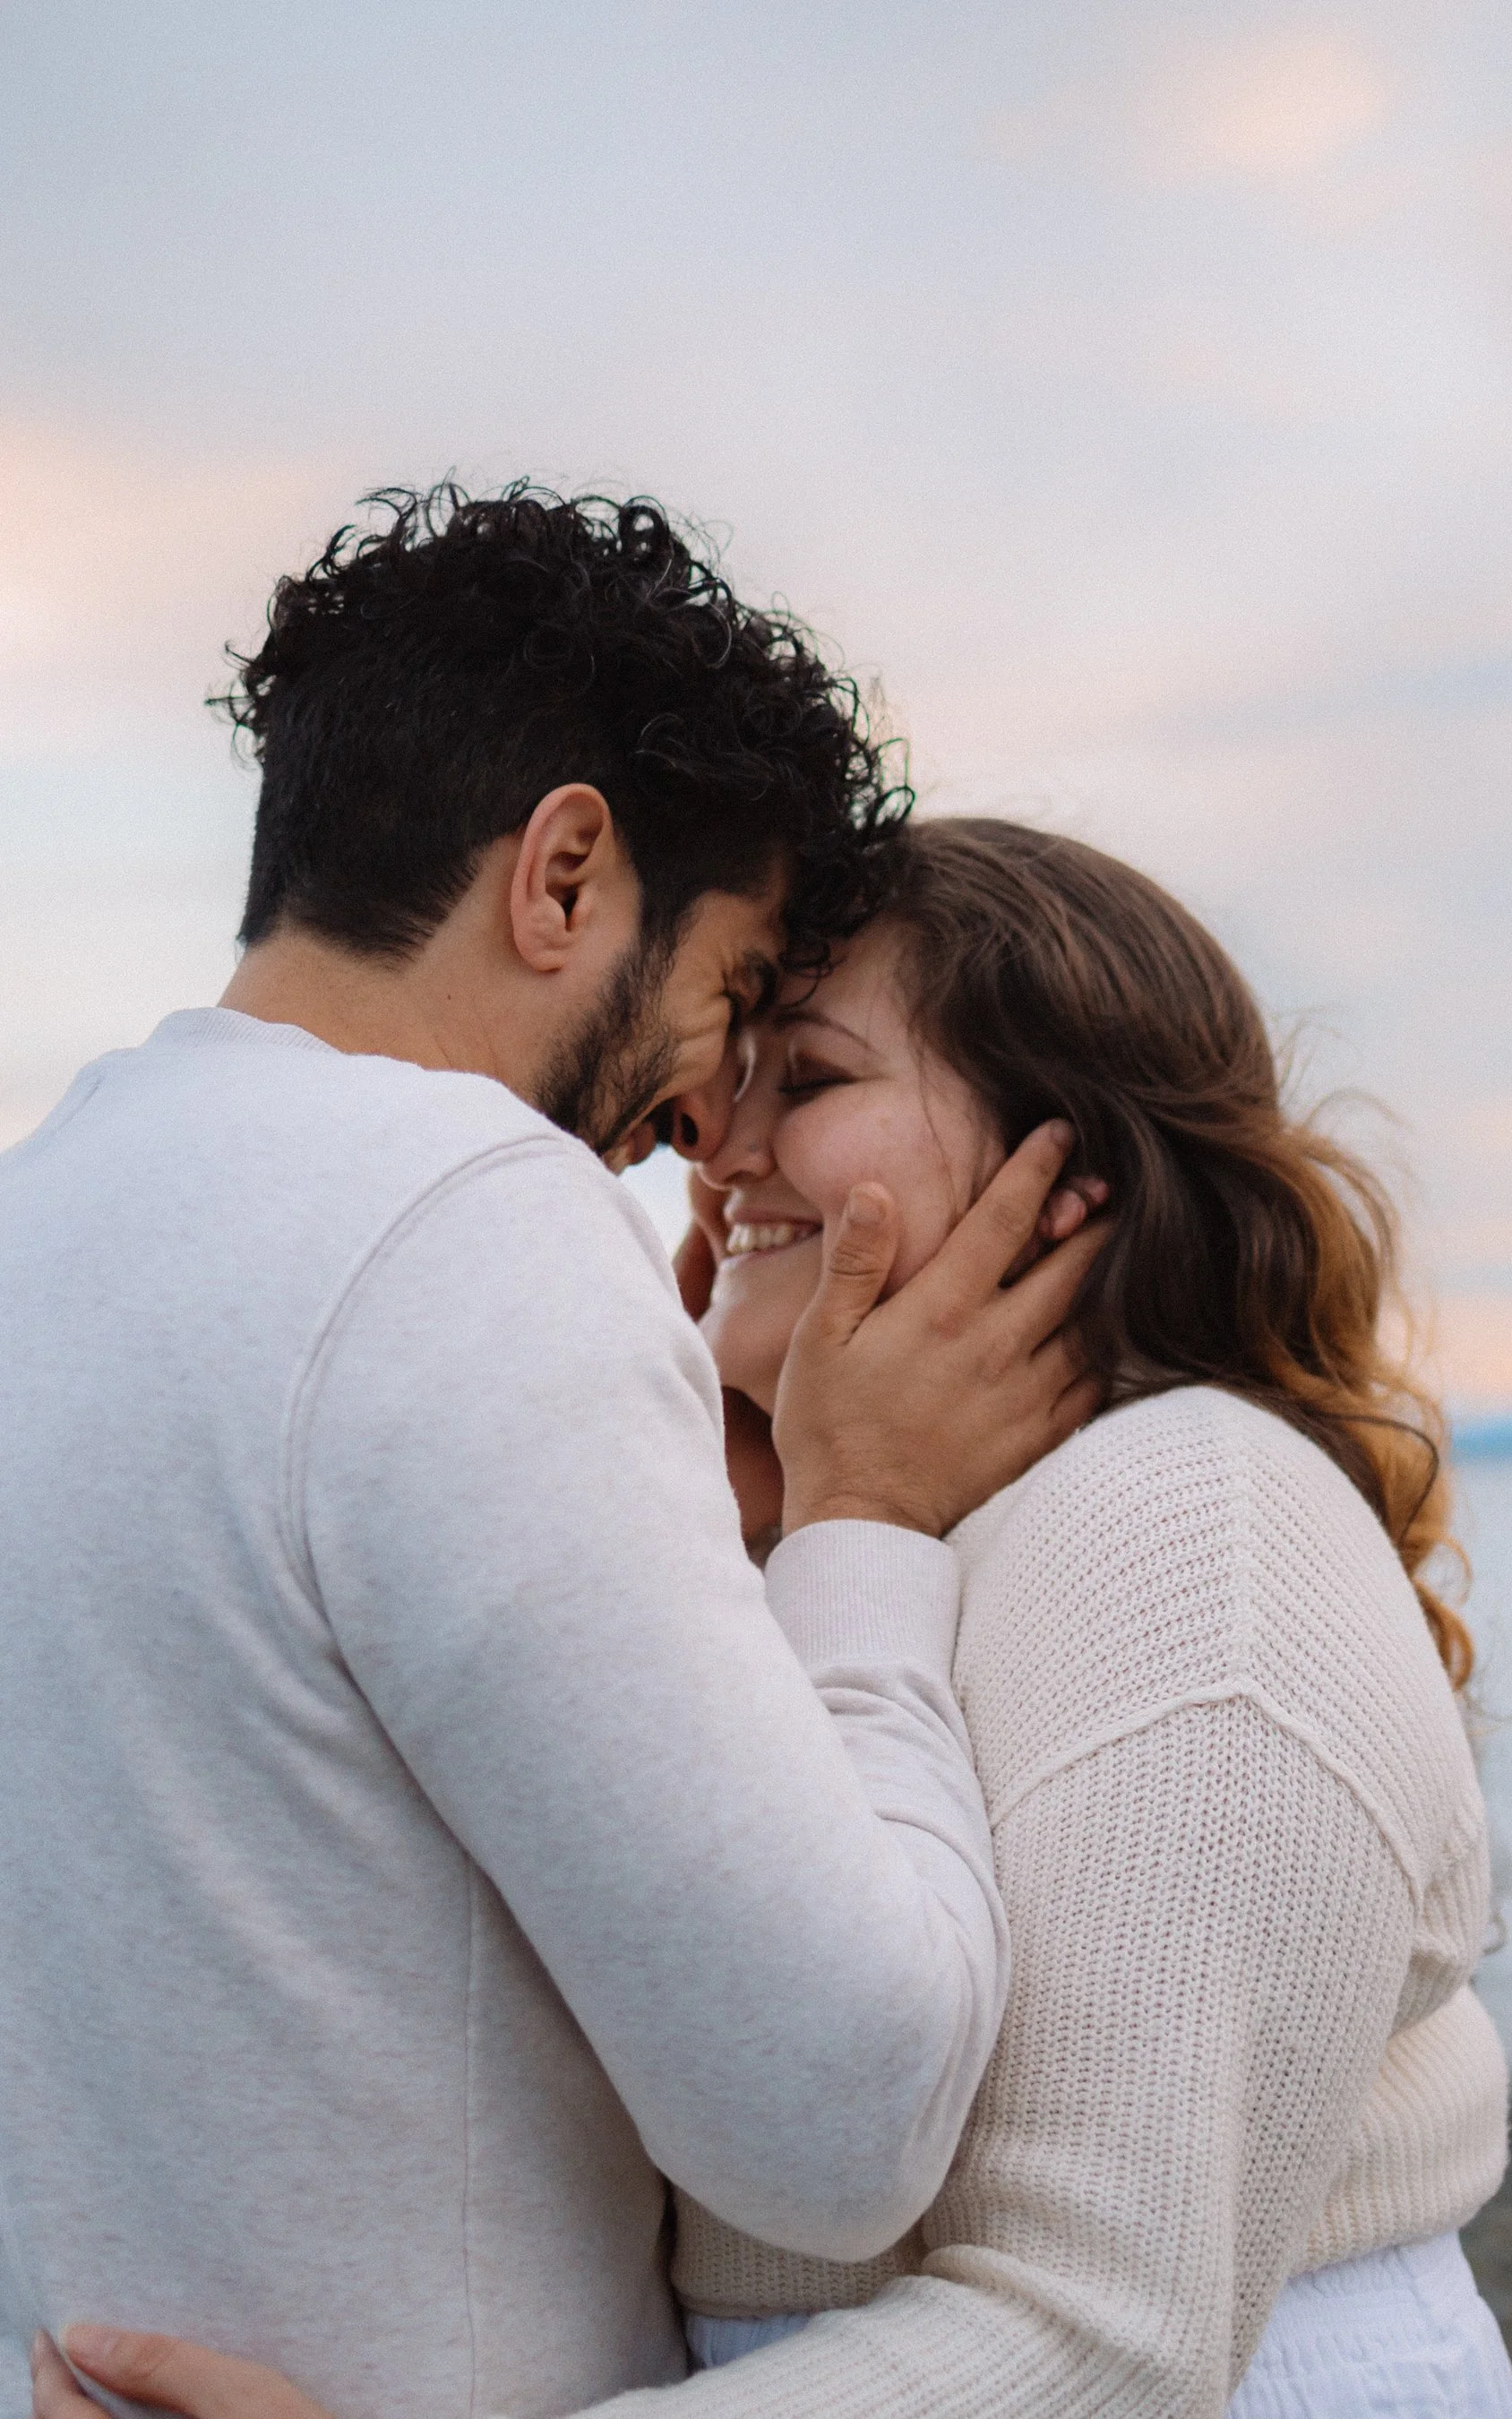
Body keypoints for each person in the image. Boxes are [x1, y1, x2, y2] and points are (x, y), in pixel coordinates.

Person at [37, 817, 1512, 2419]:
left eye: (806, 1080)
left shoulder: (1188, 1517)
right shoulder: (829, 1541)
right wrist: (759, 1511)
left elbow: (1107, 2338)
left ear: (1068, 1179)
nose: (717, 1147)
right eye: (733, 1073)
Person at [0, 497, 1107, 2419]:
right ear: (566, 874)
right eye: (736, 994)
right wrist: (863, 1519)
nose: (705, 1116)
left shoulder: (42, 1224)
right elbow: (842, 2121)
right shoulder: (465, 1221)